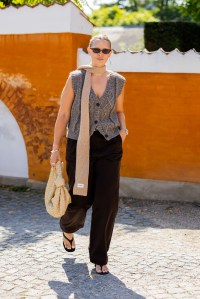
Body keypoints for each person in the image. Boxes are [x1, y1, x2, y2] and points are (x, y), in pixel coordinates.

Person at [50, 34, 128, 275]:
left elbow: (120, 110)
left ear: (110, 53)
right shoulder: (75, 78)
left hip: (109, 145)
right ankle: (68, 229)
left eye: (106, 50)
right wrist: (55, 149)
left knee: (107, 202)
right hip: (79, 144)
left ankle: (100, 257)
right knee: (80, 200)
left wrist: (123, 131)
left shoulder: (118, 81)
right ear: (89, 50)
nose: (101, 54)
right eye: (97, 49)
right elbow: (63, 115)